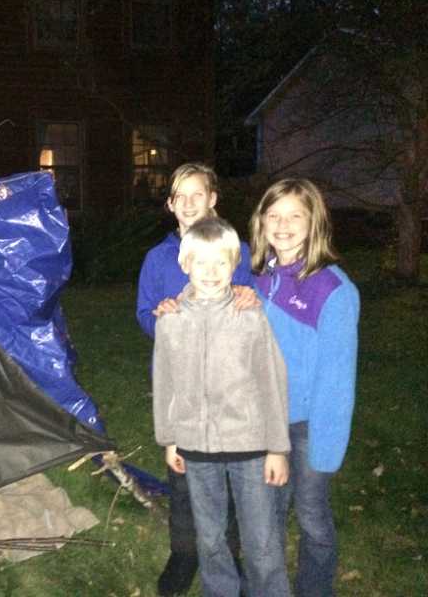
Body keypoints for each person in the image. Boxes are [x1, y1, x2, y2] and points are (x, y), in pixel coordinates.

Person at [153, 217, 292, 597]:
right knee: (210, 538)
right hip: (196, 448)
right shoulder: (170, 321)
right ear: (185, 264)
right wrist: (170, 439)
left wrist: (277, 448)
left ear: (234, 266)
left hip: (250, 446)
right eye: (201, 261)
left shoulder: (250, 316)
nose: (211, 272)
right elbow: (164, 384)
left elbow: (272, 382)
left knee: (262, 541)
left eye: (221, 262)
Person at [136, 162, 253, 596]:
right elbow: (144, 312)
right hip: (180, 387)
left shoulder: (237, 250)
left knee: (229, 473)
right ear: (170, 204)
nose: (188, 203)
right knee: (182, 474)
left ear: (213, 199)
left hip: (227, 386)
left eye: (197, 194)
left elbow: (249, 305)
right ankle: (184, 552)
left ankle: (229, 551)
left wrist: (248, 298)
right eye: (179, 196)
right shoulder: (157, 258)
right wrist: (160, 317)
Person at [249, 178, 359, 597]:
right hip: (266, 421)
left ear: (315, 223)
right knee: (268, 514)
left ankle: (315, 589)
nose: (283, 225)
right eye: (273, 215)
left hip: (309, 426)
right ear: (261, 222)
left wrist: (326, 451)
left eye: (295, 215)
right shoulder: (259, 279)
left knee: (311, 514)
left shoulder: (333, 289)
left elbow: (337, 379)